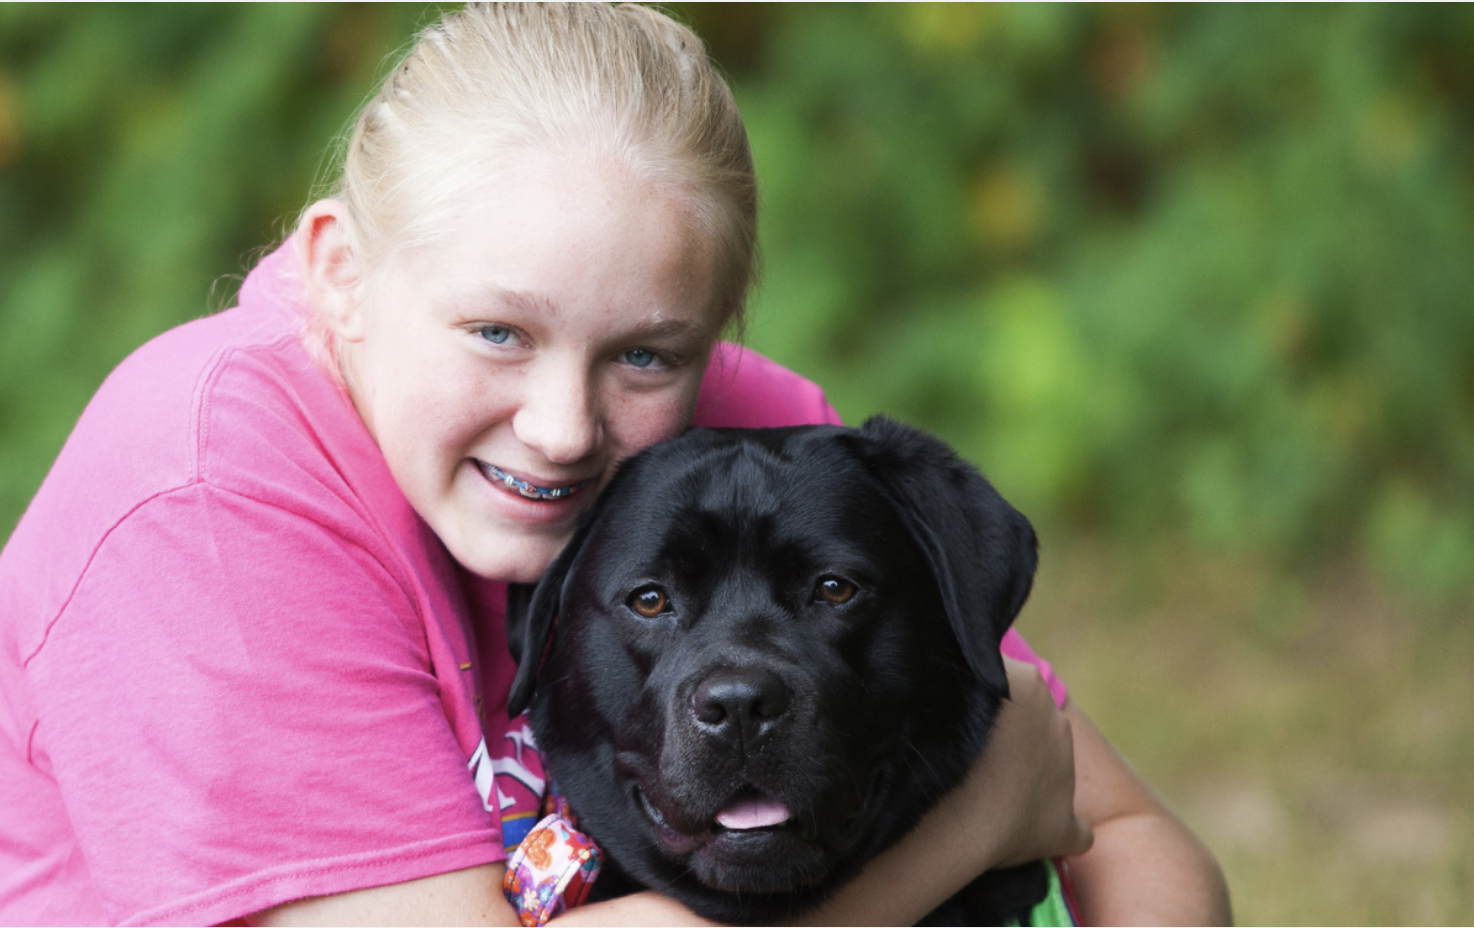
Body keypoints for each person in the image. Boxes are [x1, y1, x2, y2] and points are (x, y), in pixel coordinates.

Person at [0, 4, 1228, 926]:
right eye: (497, 332)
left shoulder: (724, 443)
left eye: (644, 351)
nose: (563, 425)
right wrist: (957, 835)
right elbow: (1012, 787)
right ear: (341, 276)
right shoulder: (209, 495)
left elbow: (1127, 833)